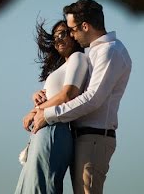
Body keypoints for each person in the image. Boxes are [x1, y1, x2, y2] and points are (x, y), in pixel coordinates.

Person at [30, 0, 131, 194]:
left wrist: (48, 114)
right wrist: (44, 97)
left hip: (94, 138)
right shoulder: (95, 52)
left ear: (85, 26)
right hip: (81, 137)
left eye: (72, 30)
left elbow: (93, 98)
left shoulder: (110, 51)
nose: (72, 36)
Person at [15, 19, 90, 194]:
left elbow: (68, 95)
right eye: (55, 36)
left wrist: (34, 112)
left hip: (54, 129)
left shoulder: (77, 57)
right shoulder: (62, 67)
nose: (59, 39)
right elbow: (53, 96)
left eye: (63, 33)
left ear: (73, 34)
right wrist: (37, 98)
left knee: (42, 187)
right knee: (30, 187)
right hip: (44, 130)